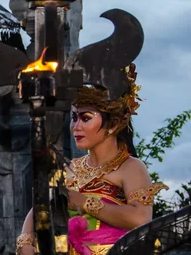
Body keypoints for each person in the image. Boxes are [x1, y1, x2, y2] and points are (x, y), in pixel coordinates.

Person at [17, 64, 168, 255]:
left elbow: (140, 218)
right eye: (74, 118)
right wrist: (26, 242)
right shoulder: (69, 168)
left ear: (113, 124)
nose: (75, 127)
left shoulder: (131, 168)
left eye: (85, 118)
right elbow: (40, 208)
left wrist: (82, 202)